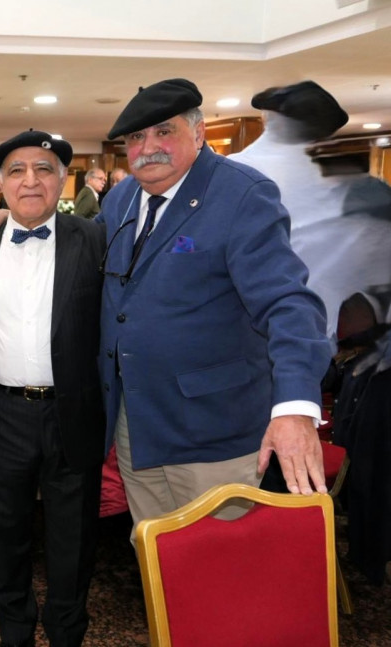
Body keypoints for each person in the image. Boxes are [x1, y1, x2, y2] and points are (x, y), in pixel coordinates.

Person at [96, 78, 332, 530]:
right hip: (138, 424)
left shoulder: (242, 194)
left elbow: (288, 303)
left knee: (226, 568)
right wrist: (11, 217)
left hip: (215, 431)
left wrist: (296, 408)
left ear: (199, 132)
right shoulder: (122, 198)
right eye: (136, 138)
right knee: (156, 558)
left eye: (164, 132)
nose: (149, 148)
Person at [0, 130, 105, 647]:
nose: (30, 180)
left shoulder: (95, 239)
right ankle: (14, 631)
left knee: (73, 537)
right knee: (1, 535)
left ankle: (67, 633)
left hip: (72, 412)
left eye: (44, 169)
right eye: (17, 171)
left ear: (64, 179)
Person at [228, 80, 391, 338]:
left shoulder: (224, 174)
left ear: (266, 120)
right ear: (324, 133)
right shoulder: (366, 189)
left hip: (243, 338)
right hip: (323, 338)